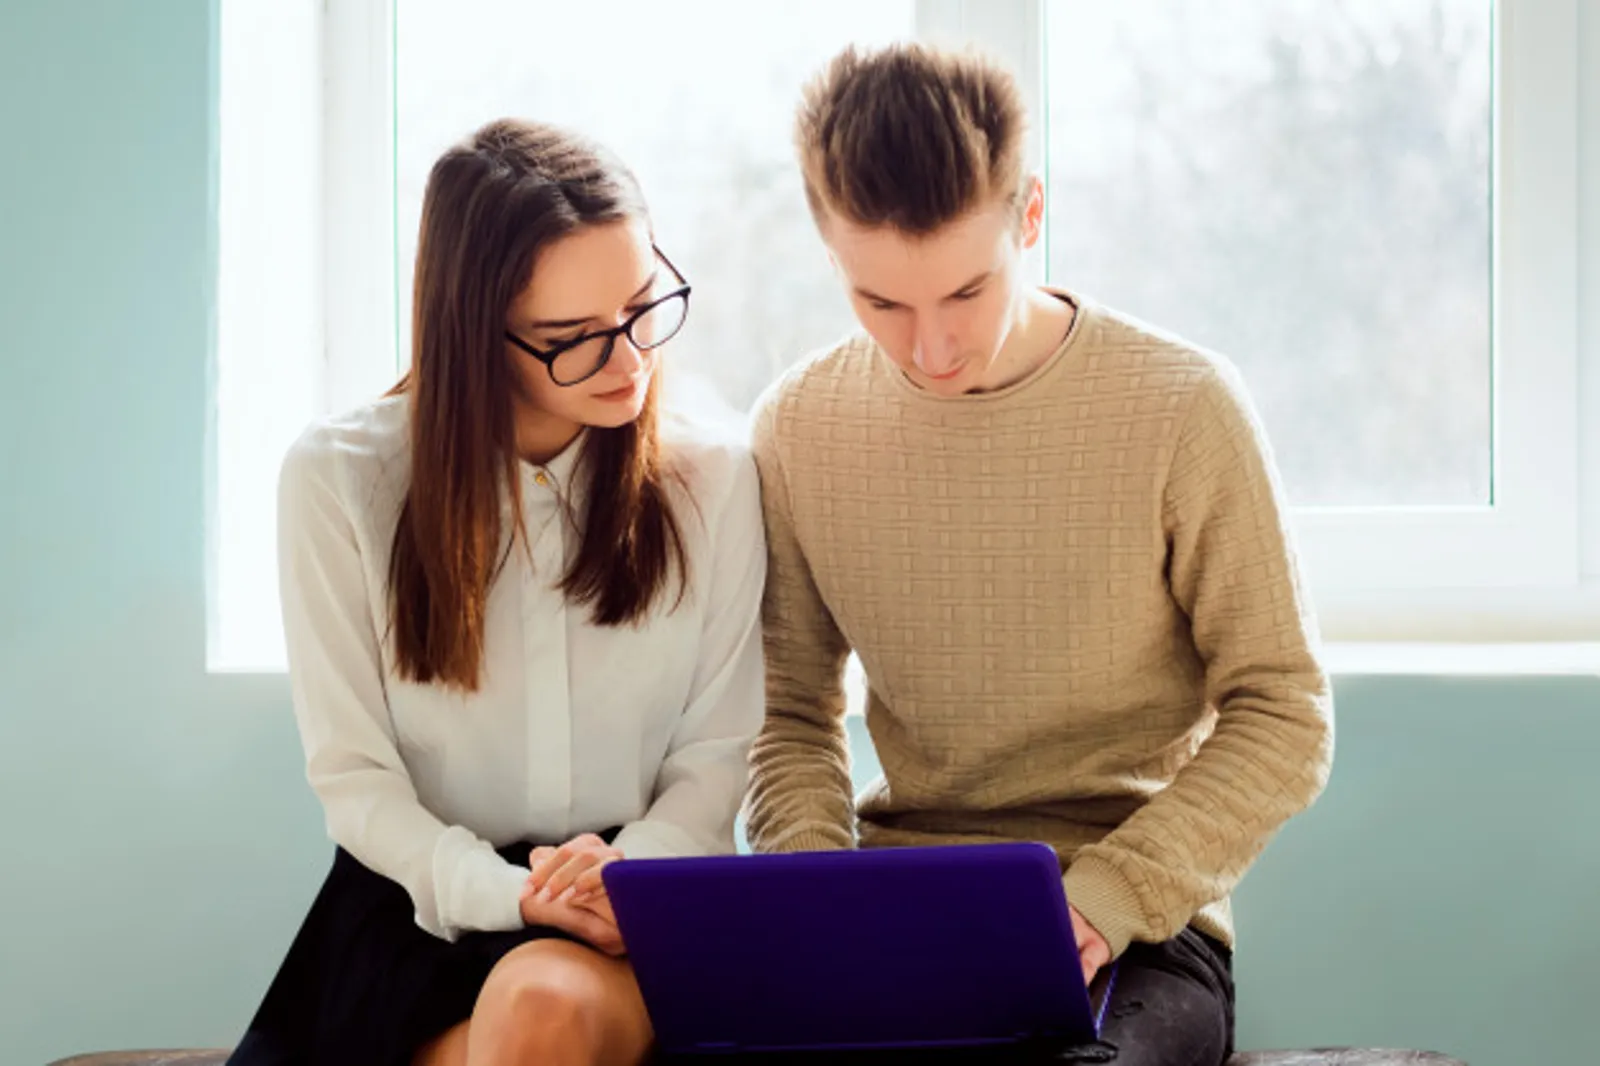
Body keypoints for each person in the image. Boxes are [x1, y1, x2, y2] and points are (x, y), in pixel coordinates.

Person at [744, 43, 1334, 1066]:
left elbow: (1284, 710)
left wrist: (1107, 899)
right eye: (880, 303)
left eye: (965, 293)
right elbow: (788, 715)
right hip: (897, 901)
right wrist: (817, 903)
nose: (930, 348)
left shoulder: (1183, 408)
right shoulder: (798, 426)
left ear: (1029, 217)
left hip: (1140, 923)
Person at [229, 118, 766, 1066]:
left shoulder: (711, 478)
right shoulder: (341, 481)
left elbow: (716, 759)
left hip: (637, 906)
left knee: (541, 1008)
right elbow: (356, 783)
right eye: (573, 340)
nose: (631, 363)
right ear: (474, 332)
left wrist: (624, 876)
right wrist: (509, 892)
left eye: (644, 307)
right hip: (418, 911)